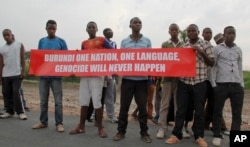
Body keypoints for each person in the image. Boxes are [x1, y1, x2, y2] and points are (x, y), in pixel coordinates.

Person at [165, 24, 214, 147]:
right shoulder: (184, 46)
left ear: (198, 32)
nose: (191, 33)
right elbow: (176, 62)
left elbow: (212, 63)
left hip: (200, 82)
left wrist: (200, 51)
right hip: (184, 82)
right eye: (189, 31)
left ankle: (199, 136)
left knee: (199, 111)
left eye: (194, 31)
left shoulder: (206, 45)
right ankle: (176, 135)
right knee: (181, 110)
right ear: (187, 33)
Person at [69, 21, 113, 138]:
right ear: (86, 30)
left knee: (97, 102)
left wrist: (109, 71)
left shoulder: (103, 40)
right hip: (85, 75)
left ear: (97, 29)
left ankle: (100, 127)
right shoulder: (84, 43)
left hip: (97, 75)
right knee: (83, 101)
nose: (91, 29)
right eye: (89, 27)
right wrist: (74, 70)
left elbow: (113, 53)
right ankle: (81, 126)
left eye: (93, 27)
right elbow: (81, 58)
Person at [112, 17, 152, 143]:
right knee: (124, 107)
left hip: (142, 80)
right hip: (128, 79)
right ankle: (120, 132)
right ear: (130, 25)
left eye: (139, 22)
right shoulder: (124, 42)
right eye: (135, 22)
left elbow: (151, 59)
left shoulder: (147, 41)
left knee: (142, 107)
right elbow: (121, 59)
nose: (137, 24)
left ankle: (144, 133)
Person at [32, 20, 68, 132]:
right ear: (46, 29)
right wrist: (35, 70)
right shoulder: (42, 41)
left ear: (56, 29)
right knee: (43, 101)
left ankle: (59, 123)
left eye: (54, 28)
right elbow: (39, 57)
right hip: (43, 77)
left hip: (56, 77)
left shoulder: (61, 41)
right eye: (50, 28)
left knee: (58, 102)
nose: (52, 30)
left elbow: (66, 58)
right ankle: (43, 122)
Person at [211, 26, 244, 146]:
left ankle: (237, 139)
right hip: (221, 85)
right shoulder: (217, 49)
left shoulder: (238, 49)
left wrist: (241, 84)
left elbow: (239, 67)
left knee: (237, 113)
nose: (231, 35)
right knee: (217, 111)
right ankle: (217, 135)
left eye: (233, 33)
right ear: (224, 35)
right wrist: (214, 84)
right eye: (228, 33)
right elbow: (213, 67)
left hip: (236, 85)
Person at [156, 23, 183, 139]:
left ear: (178, 31)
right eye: (172, 30)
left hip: (180, 79)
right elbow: (162, 60)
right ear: (169, 32)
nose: (174, 31)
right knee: (164, 104)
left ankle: (178, 129)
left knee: (179, 105)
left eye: (176, 29)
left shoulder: (183, 45)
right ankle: (162, 128)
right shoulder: (165, 44)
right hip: (167, 78)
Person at [0, 29, 27, 120]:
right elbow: (1, 63)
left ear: (12, 35)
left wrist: (23, 71)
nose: (6, 37)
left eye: (8, 35)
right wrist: (0, 76)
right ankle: (9, 111)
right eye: (4, 35)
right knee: (6, 93)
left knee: (16, 93)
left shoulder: (19, 45)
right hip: (5, 74)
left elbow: (23, 59)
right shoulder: (2, 48)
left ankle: (21, 112)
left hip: (16, 73)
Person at [103, 28, 118, 123]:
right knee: (98, 95)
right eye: (109, 31)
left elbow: (114, 57)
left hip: (111, 73)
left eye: (112, 31)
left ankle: (111, 115)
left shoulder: (114, 44)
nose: (111, 32)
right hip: (102, 72)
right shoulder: (102, 43)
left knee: (110, 96)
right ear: (104, 33)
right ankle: (93, 114)